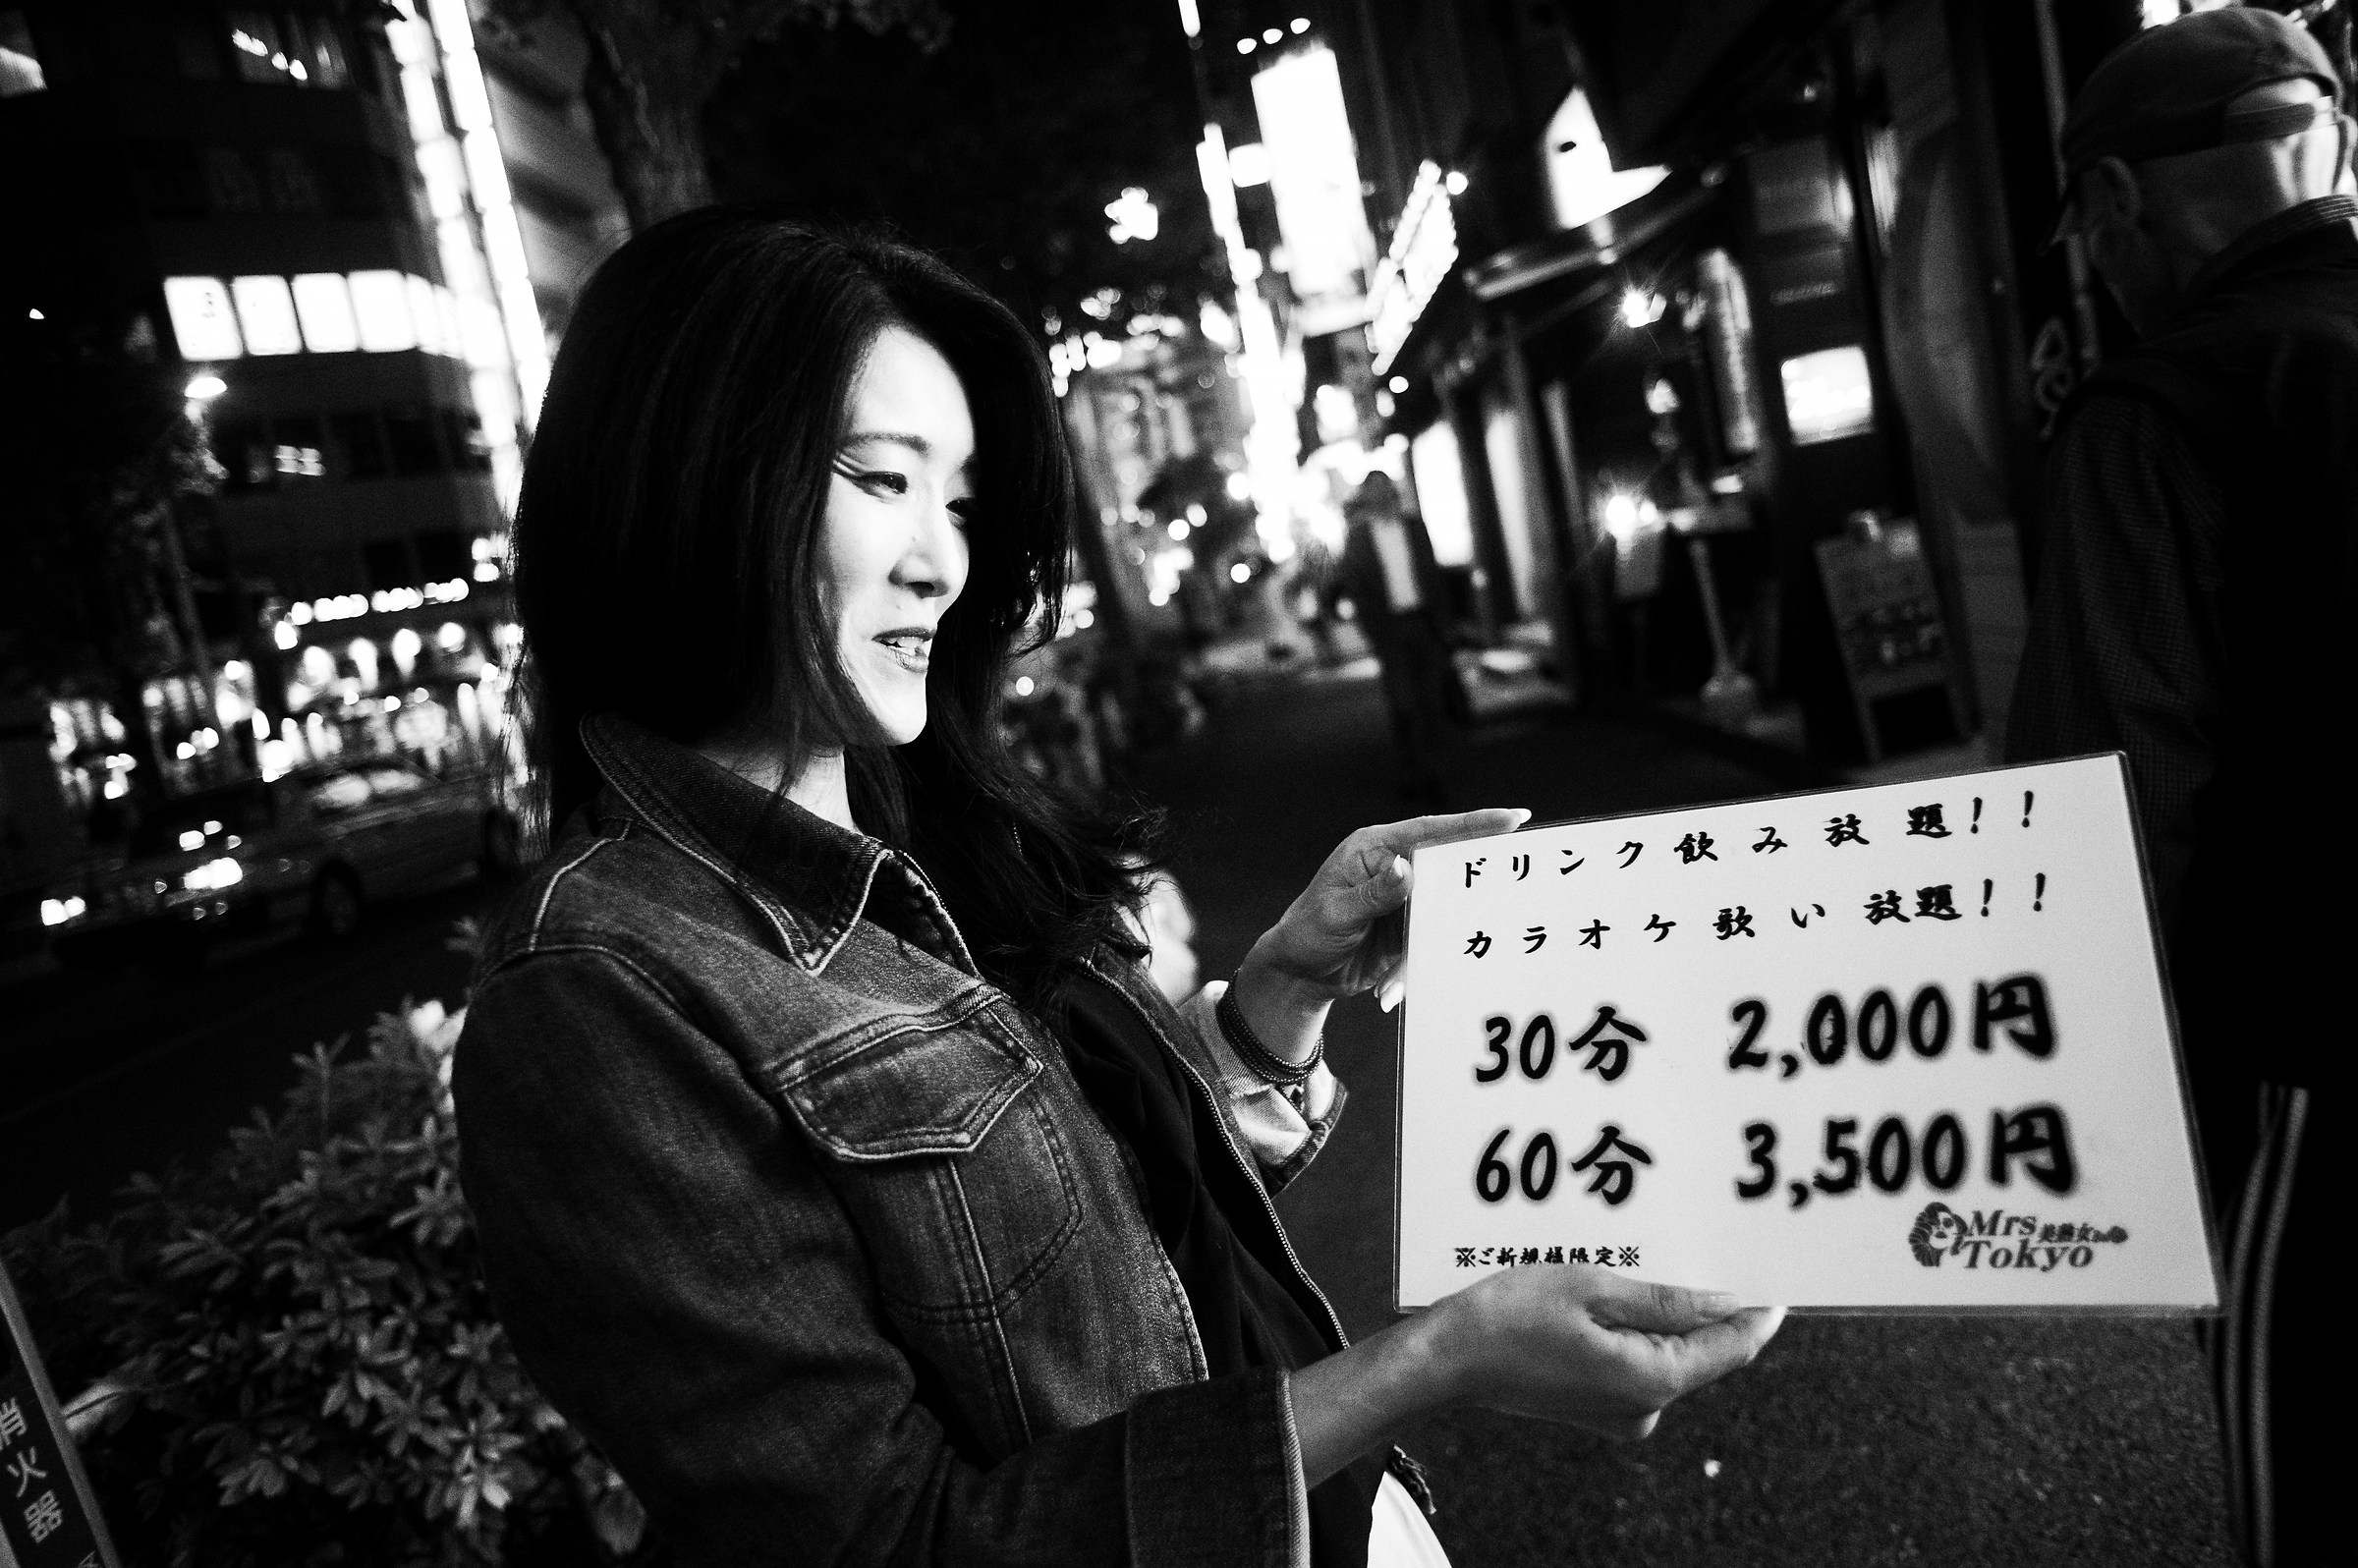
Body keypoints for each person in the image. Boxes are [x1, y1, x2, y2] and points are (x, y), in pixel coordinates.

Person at [453, 210, 1782, 1567]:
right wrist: (1431, 1363)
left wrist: (1278, 998)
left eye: (960, 502)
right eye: (881, 478)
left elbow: (1078, 1221)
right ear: (689, 480)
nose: (942, 560)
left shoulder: (927, 826)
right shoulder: (596, 994)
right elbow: (894, 1543)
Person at [2008, 12, 2353, 1565]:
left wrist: (2059, 1124)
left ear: (2119, 207)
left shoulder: (2157, 416)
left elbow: (2102, 821)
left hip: (2312, 1071)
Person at [1333, 474, 1463, 802]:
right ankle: (1414, 771)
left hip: (1423, 622)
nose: (1382, 498)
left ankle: (1437, 772)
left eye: (1386, 492)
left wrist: (1443, 623)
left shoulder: (1414, 528)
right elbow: (1356, 586)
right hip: (1390, 629)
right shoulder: (1359, 537)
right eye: (1374, 494)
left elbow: (1432, 575)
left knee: (1432, 700)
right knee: (1404, 704)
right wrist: (1374, 631)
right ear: (1367, 499)